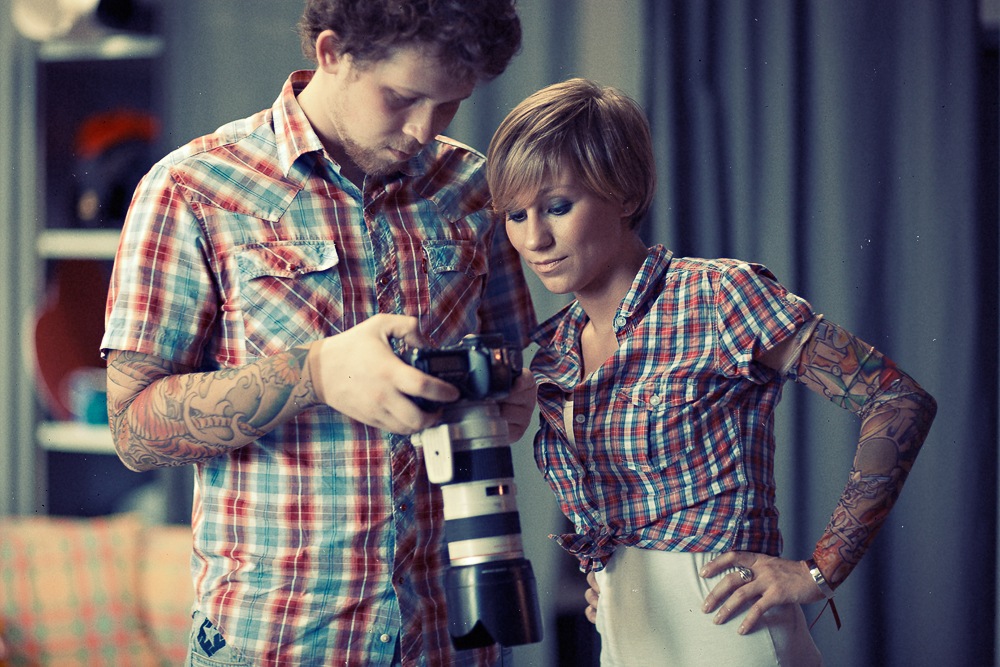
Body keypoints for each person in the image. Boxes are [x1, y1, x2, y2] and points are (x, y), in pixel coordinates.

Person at [101, 2, 537, 665]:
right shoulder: (192, 189)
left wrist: (513, 394)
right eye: (402, 97)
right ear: (333, 53)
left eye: (449, 105)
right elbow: (134, 430)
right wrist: (315, 374)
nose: (424, 130)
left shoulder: (473, 186)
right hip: (275, 642)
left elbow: (507, 359)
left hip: (452, 641)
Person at [486, 78, 937, 666]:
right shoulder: (554, 354)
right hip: (625, 635)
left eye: (557, 206)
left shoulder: (716, 296)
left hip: (727, 628)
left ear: (623, 193)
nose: (534, 239)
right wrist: (615, 584)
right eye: (516, 214)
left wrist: (819, 569)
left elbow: (898, 399)